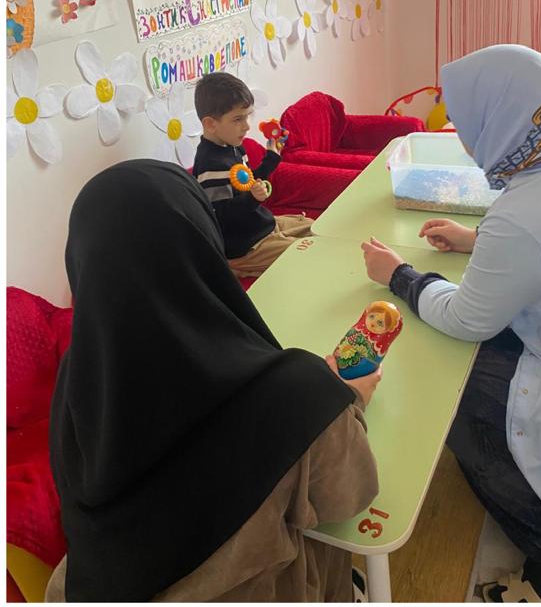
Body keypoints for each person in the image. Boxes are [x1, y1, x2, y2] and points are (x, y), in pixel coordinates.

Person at [359, 45, 541, 602]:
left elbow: (466, 318)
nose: (463, 138)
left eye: (465, 125)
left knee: (449, 385)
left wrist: (400, 276)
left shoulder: (526, 216)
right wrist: (478, 239)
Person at [46, 161, 381, 601]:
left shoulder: (77, 376)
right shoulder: (299, 396)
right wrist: (346, 398)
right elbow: (350, 497)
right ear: (203, 243)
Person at [192, 72, 312, 278]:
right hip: (247, 245)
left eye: (247, 116)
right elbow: (219, 216)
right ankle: (236, 266)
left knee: (316, 228)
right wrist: (252, 199)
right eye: (238, 119)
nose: (247, 126)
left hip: (261, 225)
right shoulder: (211, 166)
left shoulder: (233, 147)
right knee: (307, 252)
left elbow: (247, 183)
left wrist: (271, 158)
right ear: (210, 124)